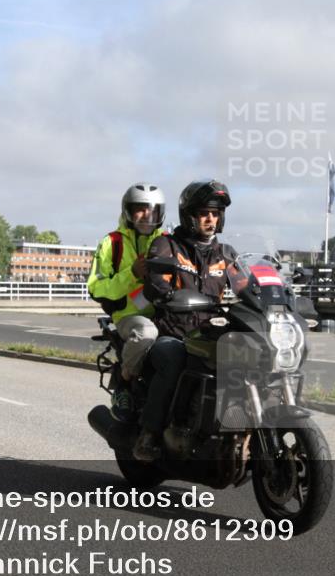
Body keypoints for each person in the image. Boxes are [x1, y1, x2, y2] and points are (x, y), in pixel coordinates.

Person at [135, 179, 238, 461]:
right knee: (172, 359)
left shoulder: (225, 253)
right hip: (175, 333)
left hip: (210, 335)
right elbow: (155, 283)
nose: (211, 219)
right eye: (205, 213)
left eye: (215, 214)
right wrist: (168, 294)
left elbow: (247, 285)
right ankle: (149, 433)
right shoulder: (167, 246)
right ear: (190, 215)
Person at [88, 183, 166, 422]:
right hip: (128, 316)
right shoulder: (112, 243)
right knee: (146, 332)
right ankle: (123, 383)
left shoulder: (166, 241)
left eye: (151, 209)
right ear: (128, 211)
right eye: (139, 209)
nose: (146, 215)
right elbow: (96, 286)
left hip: (165, 313)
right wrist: (131, 273)